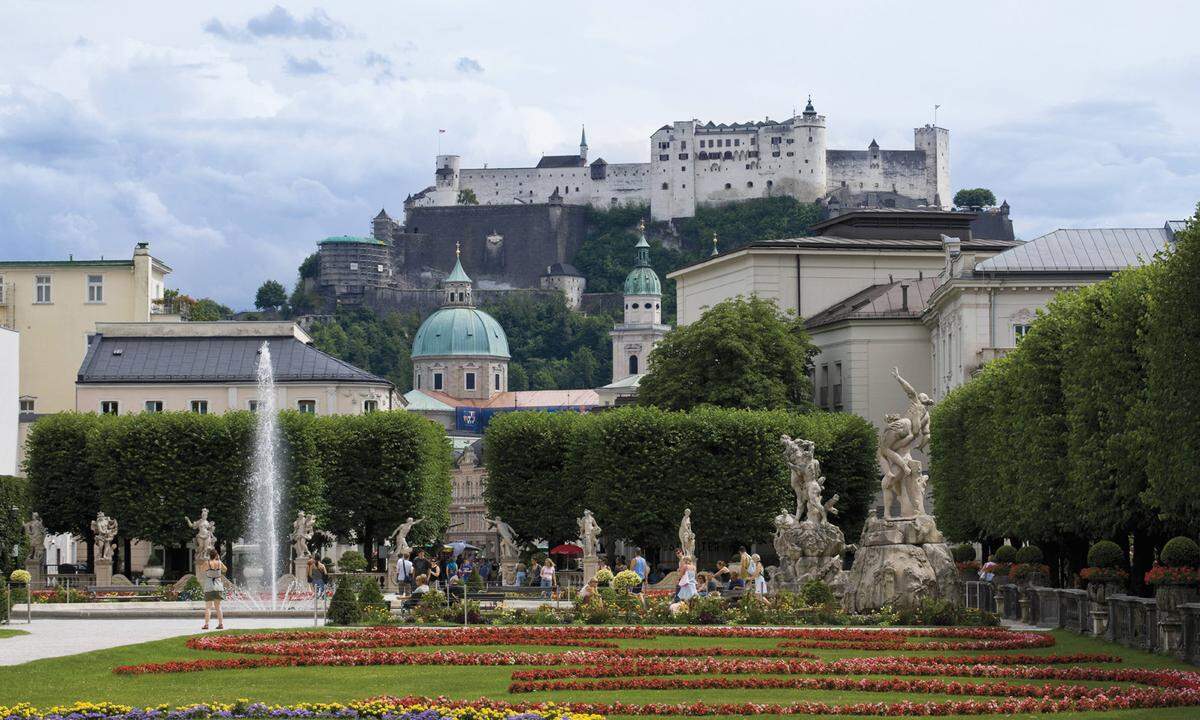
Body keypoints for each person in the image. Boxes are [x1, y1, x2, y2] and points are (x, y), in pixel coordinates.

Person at [200, 548, 227, 630]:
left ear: (209, 555)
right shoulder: (219, 563)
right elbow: (225, 569)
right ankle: (221, 624)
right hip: (218, 587)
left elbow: (201, 570)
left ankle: (206, 624)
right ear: (216, 555)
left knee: (208, 607)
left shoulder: (207, 563)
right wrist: (218, 560)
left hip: (209, 587)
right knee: (218, 607)